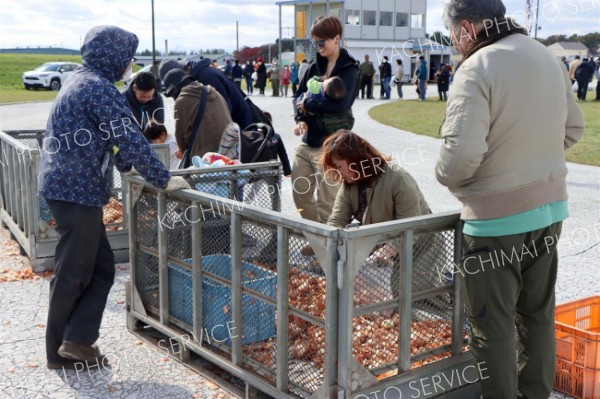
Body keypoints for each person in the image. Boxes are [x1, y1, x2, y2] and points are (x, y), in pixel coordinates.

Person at [435, 1, 584, 398]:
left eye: (452, 34)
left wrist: (453, 177)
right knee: (537, 315)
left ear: (466, 27)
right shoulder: (544, 55)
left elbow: (459, 159)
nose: (453, 41)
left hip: (494, 222)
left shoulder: (477, 67)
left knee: (492, 327)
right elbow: (573, 128)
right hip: (549, 211)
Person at [39, 25, 189, 371]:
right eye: (127, 56)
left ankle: (76, 341)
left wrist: (126, 166)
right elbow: (132, 137)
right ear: (114, 56)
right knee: (74, 272)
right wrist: (163, 178)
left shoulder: (80, 80)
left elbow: (105, 136)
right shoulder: (98, 88)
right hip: (75, 193)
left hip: (69, 189)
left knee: (102, 268)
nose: (130, 63)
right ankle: (59, 352)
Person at [323, 130, 436, 298]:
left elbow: (411, 225)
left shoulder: (398, 179)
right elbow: (337, 219)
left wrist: (387, 250)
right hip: (383, 248)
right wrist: (324, 244)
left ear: (354, 159)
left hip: (421, 245)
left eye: (339, 166)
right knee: (372, 292)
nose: (337, 172)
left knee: (411, 293)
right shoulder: (349, 184)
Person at [292, 15, 359, 223]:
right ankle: (316, 237)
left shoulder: (349, 69)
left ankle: (325, 249)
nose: (318, 46)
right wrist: (299, 118)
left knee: (327, 199)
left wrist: (309, 105)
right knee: (299, 192)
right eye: (315, 42)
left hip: (332, 145)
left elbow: (341, 105)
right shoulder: (314, 67)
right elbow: (298, 96)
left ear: (337, 38)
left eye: (322, 41)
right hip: (308, 141)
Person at [159, 56, 254, 130]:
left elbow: (225, 108)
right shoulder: (202, 74)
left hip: (241, 126)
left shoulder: (205, 77)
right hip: (234, 127)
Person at [162, 68, 234, 159]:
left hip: (206, 157)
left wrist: (181, 150)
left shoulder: (182, 101)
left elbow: (180, 137)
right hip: (230, 149)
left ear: (174, 90)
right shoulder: (214, 92)